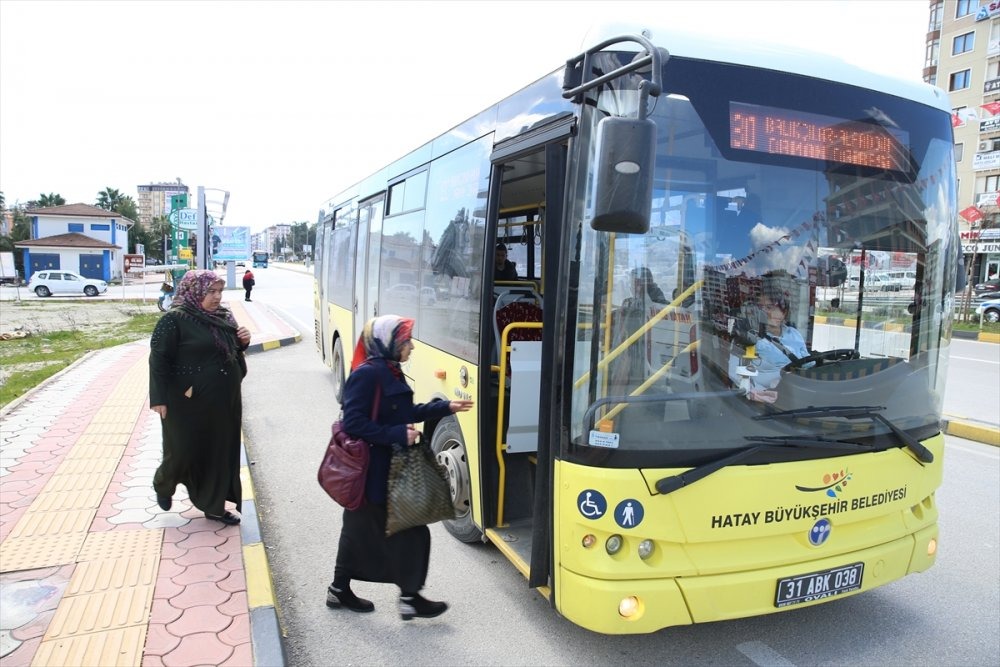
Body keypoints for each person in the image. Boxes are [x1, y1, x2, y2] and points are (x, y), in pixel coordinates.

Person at [328, 315, 473, 620]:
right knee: (400, 531)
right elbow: (352, 423)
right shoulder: (367, 374)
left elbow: (404, 411)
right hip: (370, 473)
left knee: (364, 532)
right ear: (388, 343)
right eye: (406, 341)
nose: (411, 347)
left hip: (388, 469)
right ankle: (406, 596)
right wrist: (395, 434)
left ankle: (352, 591)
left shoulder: (390, 370)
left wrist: (445, 407)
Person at [149, 270, 252, 525]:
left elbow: (229, 349)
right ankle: (164, 482)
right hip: (186, 402)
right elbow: (158, 360)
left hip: (224, 400)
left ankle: (213, 505)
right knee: (182, 451)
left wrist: (242, 342)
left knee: (218, 451)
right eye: (210, 291)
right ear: (194, 291)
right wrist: (159, 398)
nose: (217, 297)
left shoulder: (223, 317)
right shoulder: (174, 320)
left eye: (220, 291)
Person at [751, 290, 810, 389]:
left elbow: (807, 362)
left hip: (800, 386)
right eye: (762, 308)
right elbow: (744, 375)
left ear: (784, 312)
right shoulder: (754, 339)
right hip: (772, 392)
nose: (765, 312)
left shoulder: (793, 333)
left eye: (770, 307)